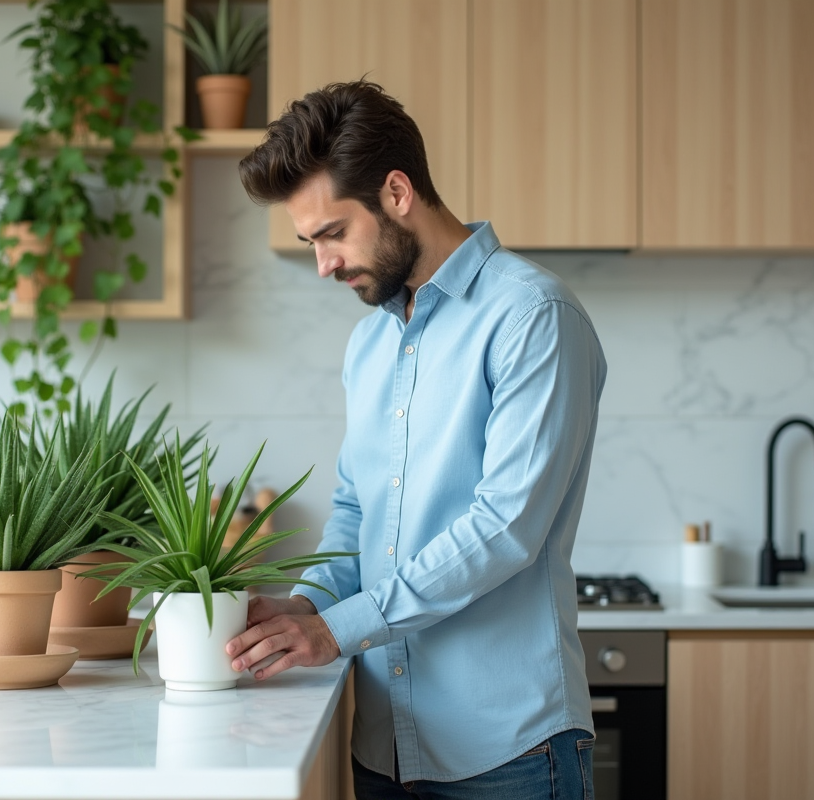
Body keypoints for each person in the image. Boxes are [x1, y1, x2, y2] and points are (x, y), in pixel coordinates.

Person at [224, 80, 606, 800]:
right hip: (387, 748)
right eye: (311, 243)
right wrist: (306, 607)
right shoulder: (370, 344)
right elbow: (353, 509)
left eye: (333, 233)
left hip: (509, 753)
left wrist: (338, 632)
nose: (324, 265)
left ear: (397, 193)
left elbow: (506, 527)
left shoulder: (533, 317)